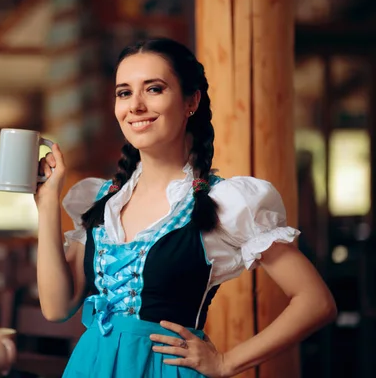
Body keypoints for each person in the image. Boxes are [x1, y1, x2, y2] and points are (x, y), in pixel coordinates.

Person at [34, 37, 336, 378]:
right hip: (91, 367)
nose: (135, 105)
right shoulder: (99, 200)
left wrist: (226, 363)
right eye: (124, 92)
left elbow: (316, 301)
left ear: (191, 101)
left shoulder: (223, 203)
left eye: (154, 89)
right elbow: (57, 307)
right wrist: (47, 206)